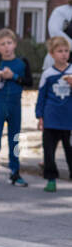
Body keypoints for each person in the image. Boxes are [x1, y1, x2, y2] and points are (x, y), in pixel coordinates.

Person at [0, 28, 31, 186]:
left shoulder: (22, 62)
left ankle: (14, 171)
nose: (6, 47)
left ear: (15, 44)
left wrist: (14, 76)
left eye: (9, 43)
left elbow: (29, 82)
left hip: (15, 105)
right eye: (2, 44)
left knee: (15, 139)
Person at [36, 34, 72, 192]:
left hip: (68, 118)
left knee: (69, 150)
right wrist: (40, 116)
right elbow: (41, 96)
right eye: (60, 51)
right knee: (48, 150)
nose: (64, 54)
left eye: (66, 51)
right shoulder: (48, 74)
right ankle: (51, 178)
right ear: (52, 54)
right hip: (51, 117)